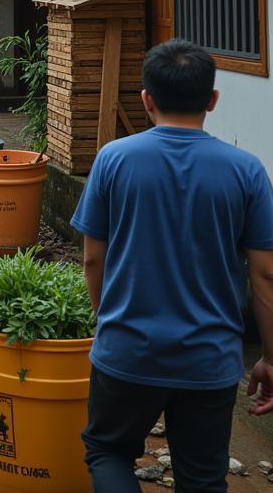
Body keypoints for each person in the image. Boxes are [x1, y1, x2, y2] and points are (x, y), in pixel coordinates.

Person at [71, 39, 273, 493]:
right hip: (208, 361)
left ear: (146, 99)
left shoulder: (113, 160)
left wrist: (107, 320)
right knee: (203, 478)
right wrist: (270, 357)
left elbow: (92, 257)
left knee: (108, 453)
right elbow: (264, 275)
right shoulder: (247, 170)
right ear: (213, 100)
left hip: (126, 352)